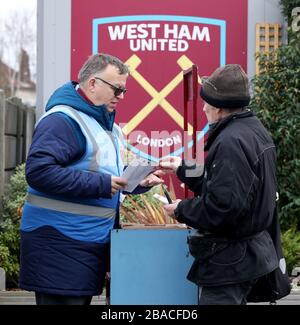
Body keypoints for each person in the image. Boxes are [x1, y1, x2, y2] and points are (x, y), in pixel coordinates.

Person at [19, 53, 163, 305]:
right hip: (59, 244)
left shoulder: (106, 126)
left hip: (80, 243)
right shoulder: (62, 120)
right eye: (117, 89)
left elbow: (102, 173)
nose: (121, 96)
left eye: (124, 90)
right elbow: (39, 172)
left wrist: (138, 181)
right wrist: (103, 185)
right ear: (93, 83)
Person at [159, 64, 287, 305]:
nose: (204, 107)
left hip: (230, 261)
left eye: (206, 103)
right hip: (248, 254)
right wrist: (181, 167)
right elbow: (228, 183)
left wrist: (180, 209)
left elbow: (223, 207)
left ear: (217, 108)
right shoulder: (253, 130)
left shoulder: (231, 142)